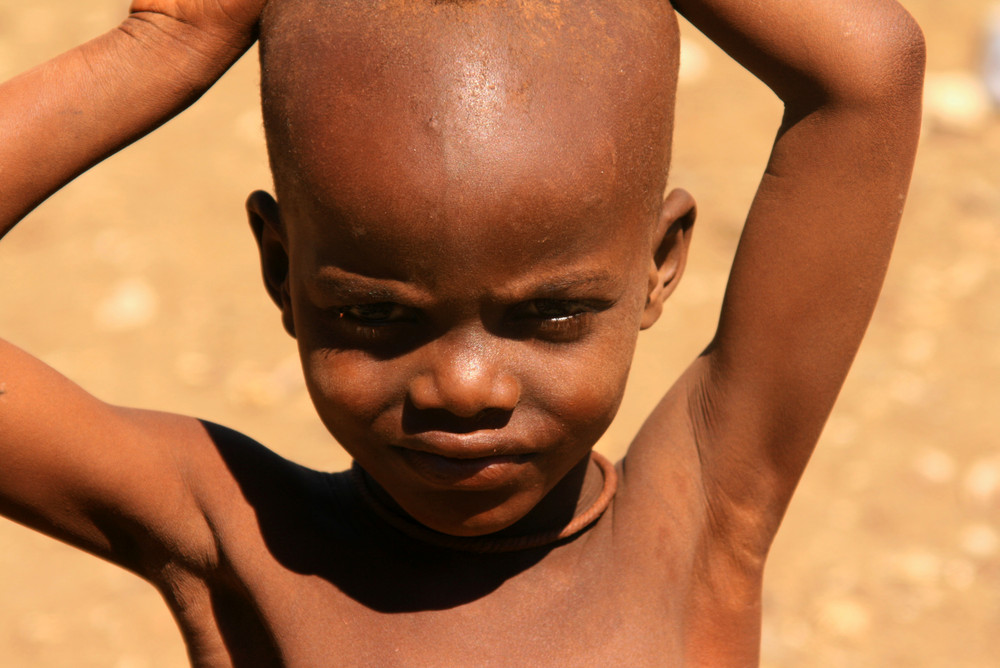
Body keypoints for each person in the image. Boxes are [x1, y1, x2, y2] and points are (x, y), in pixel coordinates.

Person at [0, 0, 924, 665]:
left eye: (551, 315)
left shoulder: (690, 539)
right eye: (376, 316)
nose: (467, 388)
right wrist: (167, 41)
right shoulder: (233, 537)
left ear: (662, 263)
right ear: (283, 271)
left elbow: (869, 71)